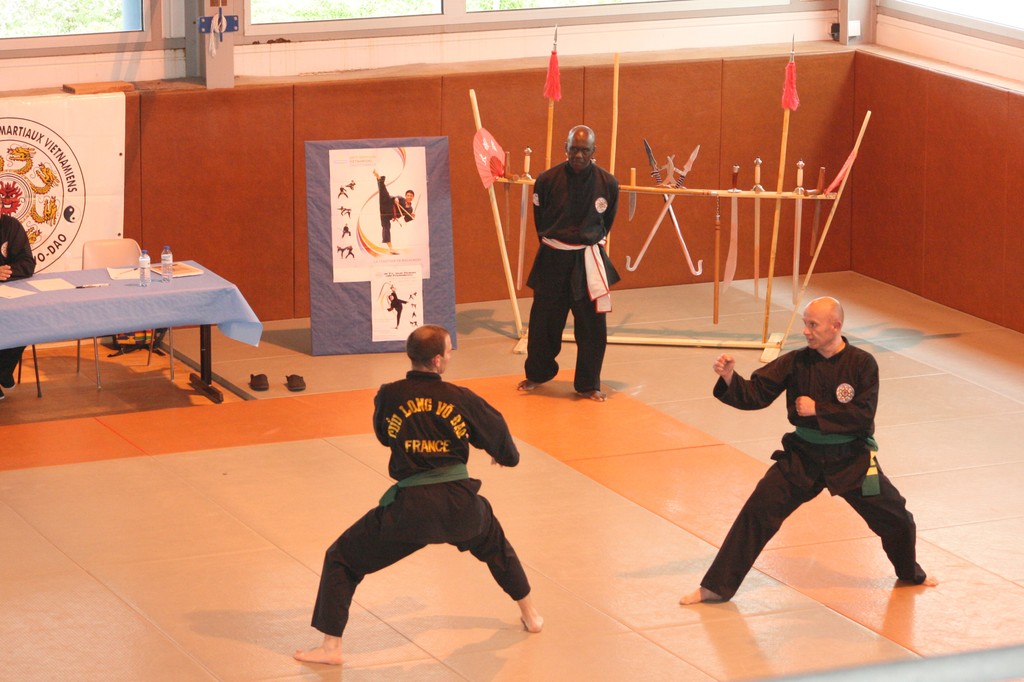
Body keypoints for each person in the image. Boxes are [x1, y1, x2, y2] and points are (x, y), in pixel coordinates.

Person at [295, 325, 542, 666]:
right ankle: (531, 615)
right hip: (460, 506)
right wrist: (503, 454)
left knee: (342, 558)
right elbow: (500, 435)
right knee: (496, 545)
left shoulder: (389, 395)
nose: (450, 356)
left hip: (409, 512)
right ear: (438, 360)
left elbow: (385, 435)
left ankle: (331, 647)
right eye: (449, 351)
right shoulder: (461, 397)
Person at [680, 297, 938, 604]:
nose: (806, 331)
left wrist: (819, 409)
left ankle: (909, 573)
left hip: (851, 458)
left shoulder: (862, 363)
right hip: (803, 457)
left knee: (897, 517)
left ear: (835, 326)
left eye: (813, 325)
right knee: (757, 511)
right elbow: (756, 395)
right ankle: (715, 586)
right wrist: (729, 378)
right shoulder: (796, 362)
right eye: (805, 324)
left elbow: (863, 415)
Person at [518, 125, 620, 401]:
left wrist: (585, 242)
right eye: (574, 149)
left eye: (584, 150)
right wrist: (559, 245)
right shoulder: (546, 180)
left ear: (593, 151)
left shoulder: (608, 183)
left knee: (592, 326)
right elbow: (540, 222)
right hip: (553, 257)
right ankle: (537, 374)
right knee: (543, 321)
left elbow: (607, 221)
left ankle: (588, 384)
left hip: (588, 260)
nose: (578, 155)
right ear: (565, 148)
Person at [0, 213, 36, 399]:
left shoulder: (10, 226)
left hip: (8, 294)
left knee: (27, 320)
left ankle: (3, 370)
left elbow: (27, 263)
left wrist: (5, 272)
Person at [372, 169, 415, 254]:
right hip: (386, 204)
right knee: (384, 192)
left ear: (413, 197)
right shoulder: (401, 199)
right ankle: (378, 177)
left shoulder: (410, 209)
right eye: (408, 195)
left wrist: (411, 216)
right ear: (406, 196)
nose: (409, 197)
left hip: (386, 215)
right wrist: (395, 199)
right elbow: (395, 197)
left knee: (386, 228)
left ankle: (391, 249)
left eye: (411, 196)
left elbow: (406, 219)